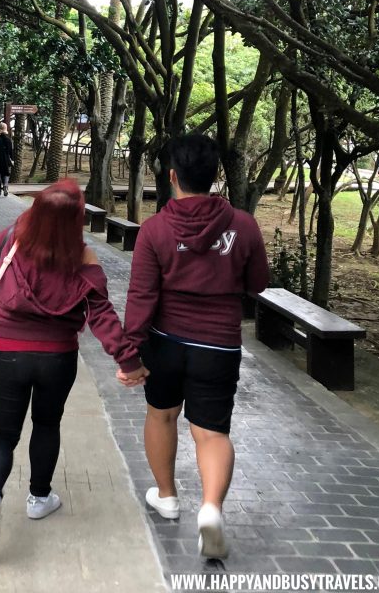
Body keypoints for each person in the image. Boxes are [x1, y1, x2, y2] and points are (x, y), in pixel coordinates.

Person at [115, 133, 270, 560]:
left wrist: (130, 355)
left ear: (172, 176)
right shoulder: (243, 226)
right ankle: (211, 510)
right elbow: (258, 284)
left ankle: (166, 496)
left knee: (161, 416)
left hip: (165, 343)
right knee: (211, 431)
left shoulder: (155, 230)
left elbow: (141, 297)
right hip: (219, 346)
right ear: (215, 175)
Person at [0, 179, 131, 559]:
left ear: (37, 209)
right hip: (58, 356)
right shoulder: (84, 257)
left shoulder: (7, 241)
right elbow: (101, 314)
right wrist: (128, 359)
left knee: (0, 435)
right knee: (46, 423)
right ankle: (39, 497)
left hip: (8, 351)